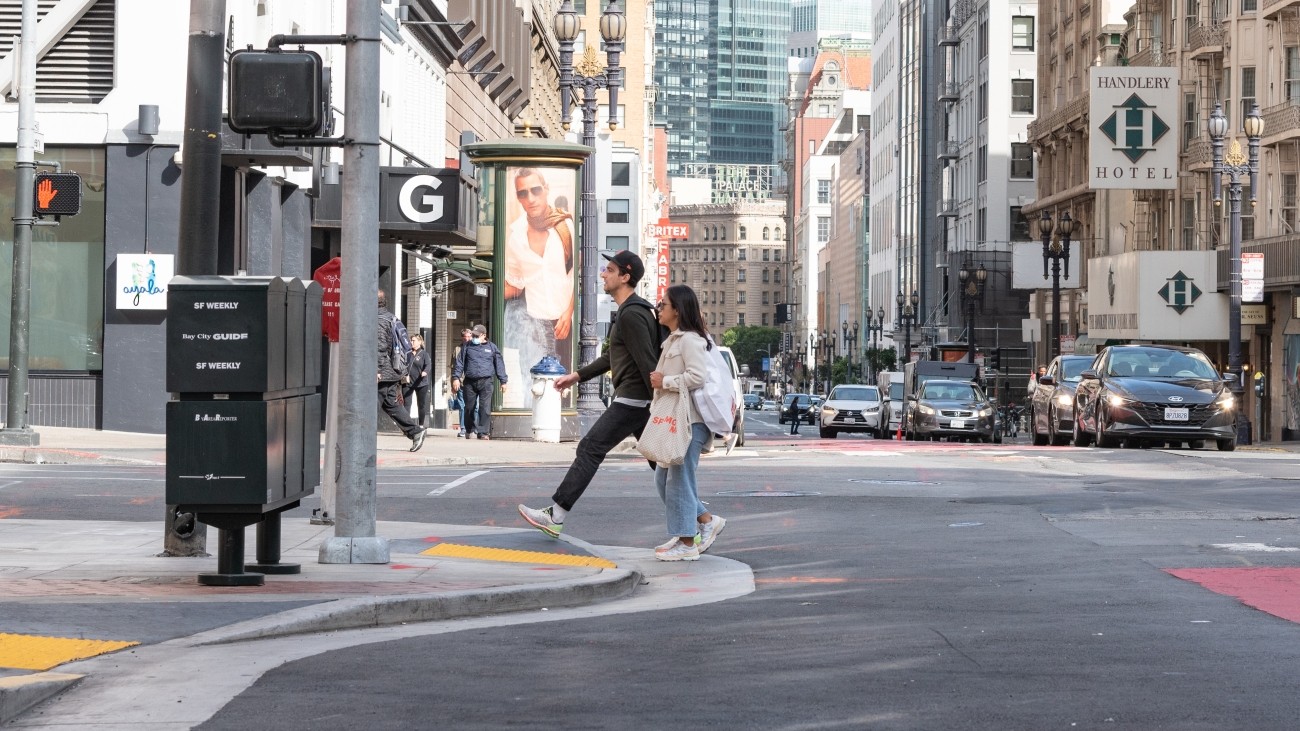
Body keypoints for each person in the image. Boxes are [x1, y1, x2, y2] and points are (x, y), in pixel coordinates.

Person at [517, 250, 660, 537]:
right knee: (664, 466)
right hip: (639, 401)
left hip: (634, 401)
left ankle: (556, 514)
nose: (603, 274)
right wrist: (577, 376)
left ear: (625, 276)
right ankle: (702, 519)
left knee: (590, 448)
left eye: (609, 269)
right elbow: (612, 357)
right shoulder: (630, 312)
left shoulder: (632, 314)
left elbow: (648, 363)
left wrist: (658, 403)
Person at [647, 284, 727, 561]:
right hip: (678, 419)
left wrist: (665, 381)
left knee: (679, 479)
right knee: (663, 478)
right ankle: (704, 521)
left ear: (677, 311)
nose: (659, 309)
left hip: (691, 420)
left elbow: (697, 377)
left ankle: (686, 542)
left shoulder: (690, 340)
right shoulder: (674, 340)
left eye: (663, 305)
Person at [503, 167, 575, 409]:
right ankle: (532, 423)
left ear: (546, 190)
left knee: (562, 384)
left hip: (562, 322)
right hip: (532, 321)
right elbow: (514, 281)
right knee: (532, 381)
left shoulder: (564, 227)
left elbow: (576, 274)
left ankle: (554, 423)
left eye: (535, 190)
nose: (530, 198)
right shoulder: (515, 236)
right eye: (523, 193)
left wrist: (568, 312)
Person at [377, 290, 426, 452]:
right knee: (391, 404)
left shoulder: (378, 320)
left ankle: (361, 441)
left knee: (368, 406)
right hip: (392, 371)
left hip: (381, 373)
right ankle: (416, 431)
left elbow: (379, 347)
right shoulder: (391, 317)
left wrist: (376, 370)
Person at [452, 324, 508, 440]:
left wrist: (503, 381)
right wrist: (456, 378)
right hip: (470, 382)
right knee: (469, 407)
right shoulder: (467, 346)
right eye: (473, 335)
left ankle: (483, 432)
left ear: (484, 335)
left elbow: (499, 364)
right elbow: (459, 363)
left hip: (486, 382)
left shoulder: (492, 348)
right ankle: (470, 429)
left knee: (485, 408)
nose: (474, 337)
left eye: (477, 335)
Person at [402, 334, 431, 428]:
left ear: (419, 342)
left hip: (421, 383)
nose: (411, 342)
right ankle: (406, 426)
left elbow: (428, 365)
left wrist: (425, 372)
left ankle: (421, 425)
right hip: (408, 382)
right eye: (410, 340)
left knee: (421, 404)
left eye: (413, 340)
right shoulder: (407, 353)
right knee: (407, 404)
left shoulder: (424, 354)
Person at [449, 328, 471, 437]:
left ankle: (473, 428)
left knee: (474, 406)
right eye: (465, 337)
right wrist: (453, 382)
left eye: (469, 337)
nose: (467, 339)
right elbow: (453, 367)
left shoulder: (475, 349)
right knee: (462, 405)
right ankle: (463, 428)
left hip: (472, 382)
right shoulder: (457, 349)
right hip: (460, 382)